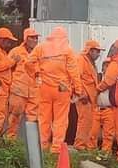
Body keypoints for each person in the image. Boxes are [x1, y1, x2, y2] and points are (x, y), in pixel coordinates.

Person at [28, 26, 81, 154]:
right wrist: (78, 90)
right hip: (62, 89)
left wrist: (36, 74)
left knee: (43, 117)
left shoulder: (41, 47)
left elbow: (29, 62)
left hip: (44, 87)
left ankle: (42, 145)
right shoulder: (68, 50)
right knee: (60, 119)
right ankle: (56, 147)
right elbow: (73, 71)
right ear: (64, 37)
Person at [4, 27, 40, 140]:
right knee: (14, 116)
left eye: (36, 38)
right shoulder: (16, 52)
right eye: (32, 38)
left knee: (33, 120)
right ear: (26, 39)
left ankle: (33, 145)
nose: (35, 40)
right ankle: (10, 140)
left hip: (34, 93)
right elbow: (6, 69)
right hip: (18, 91)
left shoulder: (39, 54)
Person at [74, 39, 102, 150]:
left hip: (90, 98)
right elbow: (76, 77)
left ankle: (84, 145)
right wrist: (82, 94)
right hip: (84, 98)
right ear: (90, 51)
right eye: (97, 51)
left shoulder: (89, 62)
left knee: (88, 123)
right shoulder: (81, 60)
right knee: (84, 122)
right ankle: (80, 145)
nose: (98, 54)